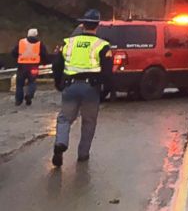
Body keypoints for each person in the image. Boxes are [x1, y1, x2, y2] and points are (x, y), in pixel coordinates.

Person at [51, 9, 112, 166]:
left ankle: (61, 143)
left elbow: (57, 63)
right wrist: (106, 89)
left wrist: (58, 82)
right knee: (89, 122)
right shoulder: (103, 45)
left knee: (64, 118)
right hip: (91, 89)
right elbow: (107, 70)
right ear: (97, 25)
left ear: (82, 24)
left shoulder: (67, 42)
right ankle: (83, 154)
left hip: (70, 86)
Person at [11, 28, 50, 106]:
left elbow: (13, 53)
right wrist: (44, 63)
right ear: (36, 35)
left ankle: (18, 101)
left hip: (22, 66)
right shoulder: (39, 43)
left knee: (19, 84)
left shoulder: (21, 42)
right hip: (34, 66)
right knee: (32, 82)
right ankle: (29, 95)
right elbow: (44, 55)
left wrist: (18, 59)